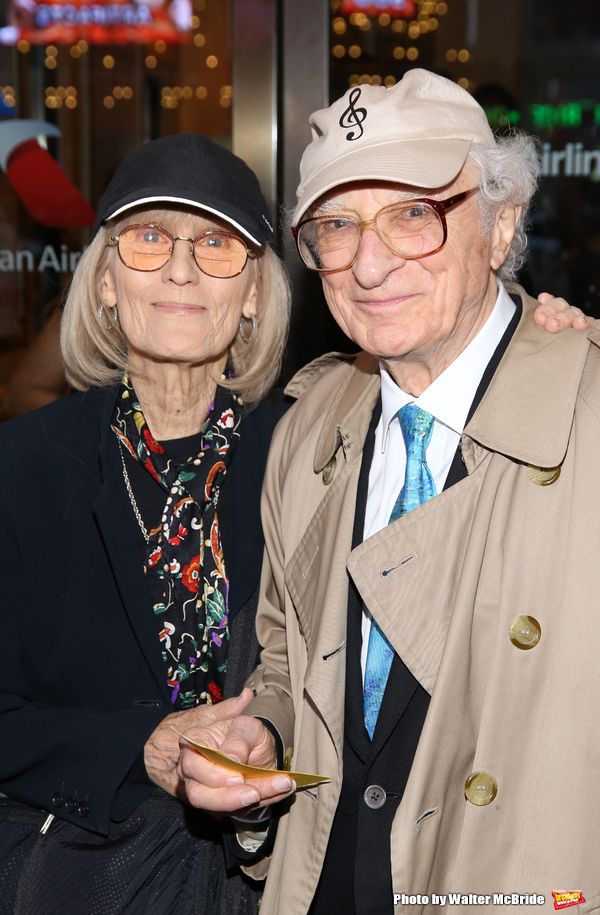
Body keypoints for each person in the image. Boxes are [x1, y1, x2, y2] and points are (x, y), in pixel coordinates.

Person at [175, 71, 598, 913]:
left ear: (501, 219)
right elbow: (288, 661)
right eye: (337, 226)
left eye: (413, 214)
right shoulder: (309, 426)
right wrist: (264, 737)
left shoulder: (586, 421)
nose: (369, 265)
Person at [0, 132, 291, 914]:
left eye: (216, 242)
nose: (181, 267)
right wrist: (141, 747)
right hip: (88, 874)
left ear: (256, 292)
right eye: (150, 236)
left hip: (278, 877)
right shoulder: (23, 465)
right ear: (103, 282)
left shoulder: (311, 453)